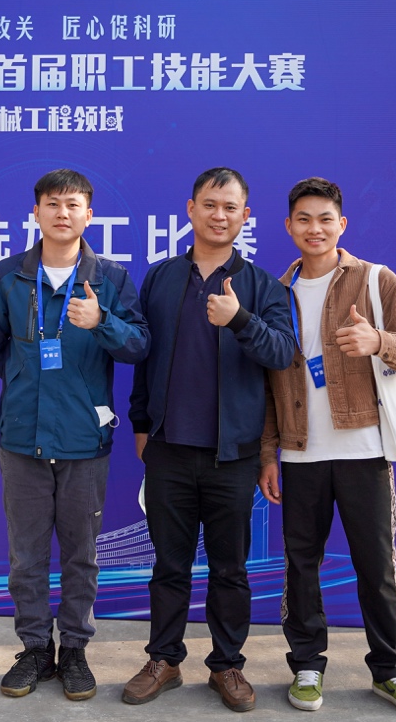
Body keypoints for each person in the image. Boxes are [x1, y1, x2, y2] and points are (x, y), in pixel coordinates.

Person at [259, 177, 396, 717]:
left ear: (342, 225)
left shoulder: (376, 280)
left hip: (363, 450)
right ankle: (306, 665)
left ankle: (391, 670)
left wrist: (378, 341)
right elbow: (267, 384)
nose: (315, 229)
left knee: (375, 566)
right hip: (301, 453)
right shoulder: (276, 292)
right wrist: (268, 454)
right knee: (301, 565)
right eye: (304, 219)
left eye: (325, 219)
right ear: (288, 226)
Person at [125, 167, 296, 712]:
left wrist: (240, 319)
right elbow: (144, 358)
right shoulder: (160, 278)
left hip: (233, 455)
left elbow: (282, 354)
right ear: (190, 209)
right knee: (168, 567)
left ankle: (226, 666)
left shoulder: (263, 286)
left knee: (230, 570)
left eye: (230, 207)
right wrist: (141, 425)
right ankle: (164, 660)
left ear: (246, 216)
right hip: (169, 449)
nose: (219, 216)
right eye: (209, 205)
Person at [0, 169, 149, 701]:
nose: (62, 213)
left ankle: (74, 649)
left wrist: (102, 322)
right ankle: (35, 649)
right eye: (52, 203)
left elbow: (139, 346)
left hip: (84, 441)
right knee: (25, 555)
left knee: (81, 554)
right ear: (36, 213)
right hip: (22, 439)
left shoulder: (111, 278)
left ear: (88, 215)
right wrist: (29, 385)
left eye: (73, 204)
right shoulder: (9, 276)